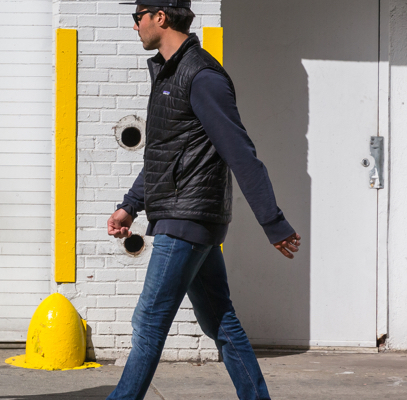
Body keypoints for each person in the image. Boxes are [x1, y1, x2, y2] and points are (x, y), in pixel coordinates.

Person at [105, 1, 303, 399]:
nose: (134, 27)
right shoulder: (171, 72)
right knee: (221, 321)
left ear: (160, 17)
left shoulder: (201, 76)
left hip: (187, 219)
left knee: (148, 321)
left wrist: (273, 222)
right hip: (187, 216)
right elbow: (165, 152)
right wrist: (131, 204)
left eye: (137, 17)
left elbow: (240, 152)